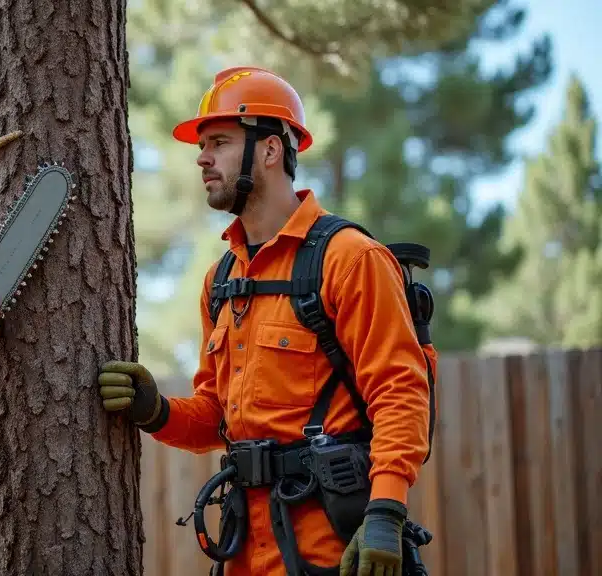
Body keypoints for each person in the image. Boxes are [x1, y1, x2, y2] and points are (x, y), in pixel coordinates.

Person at [98, 67, 433, 576]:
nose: (202, 157)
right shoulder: (222, 280)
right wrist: (155, 411)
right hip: (245, 548)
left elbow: (400, 391)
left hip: (333, 550)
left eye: (219, 142)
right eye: (202, 145)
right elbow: (217, 414)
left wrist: (385, 511)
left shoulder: (349, 258)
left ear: (271, 150)